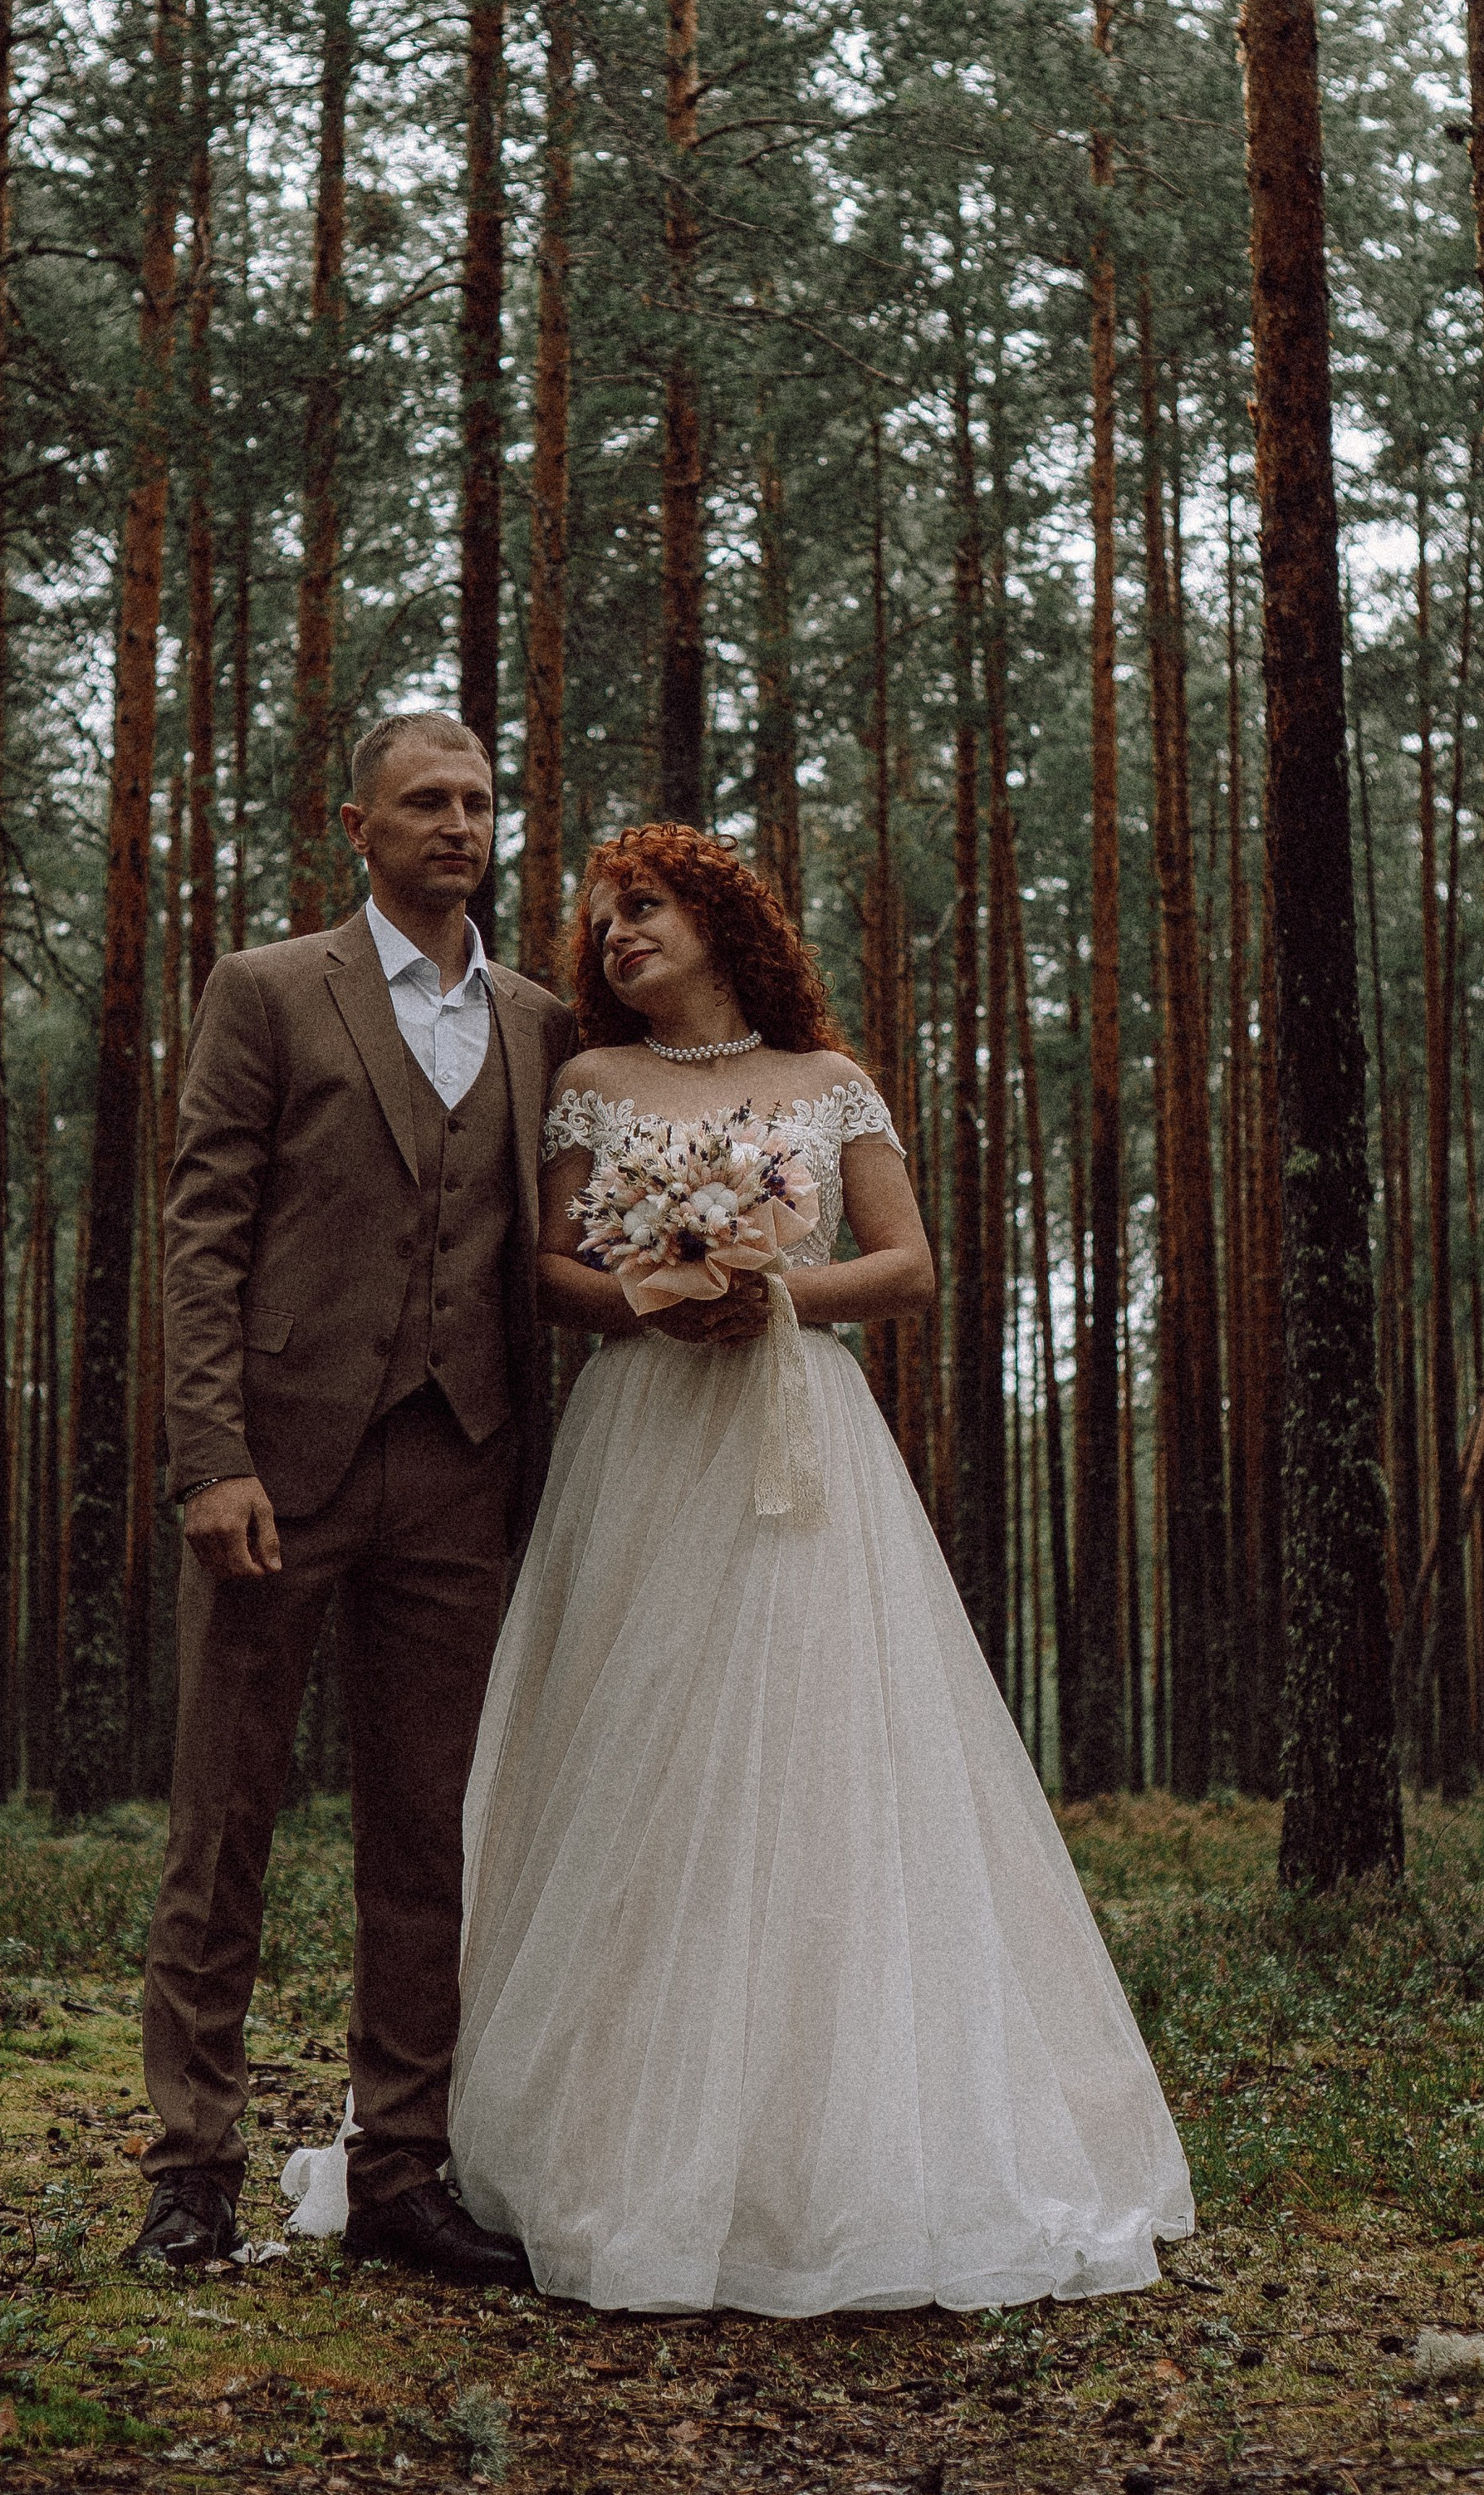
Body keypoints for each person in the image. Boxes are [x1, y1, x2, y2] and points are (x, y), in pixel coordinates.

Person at [448, 825, 1193, 2314]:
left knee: (818, 1755)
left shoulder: (828, 1082)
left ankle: (824, 2148)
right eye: (604, 925)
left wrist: (766, 1287)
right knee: (633, 1754)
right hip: (644, 1438)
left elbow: (910, 1266)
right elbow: (541, 1270)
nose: (615, 940)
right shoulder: (590, 1087)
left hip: (802, 1434)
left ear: (725, 922)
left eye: (643, 910)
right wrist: (654, 1296)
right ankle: (611, 2142)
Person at [132, 709, 575, 2282]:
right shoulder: (265, 991)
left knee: (428, 1833)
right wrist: (212, 1456)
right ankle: (190, 2168)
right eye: (428, 803)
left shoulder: (537, 1017)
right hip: (280, 1470)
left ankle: (401, 2166)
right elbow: (203, 1236)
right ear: (358, 827)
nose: (461, 825)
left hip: (460, 1473)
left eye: (481, 800)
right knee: (223, 1823)